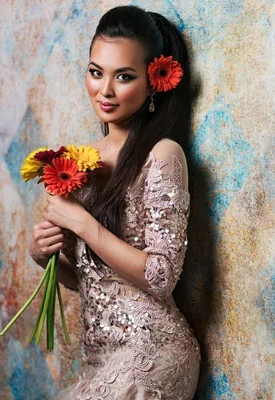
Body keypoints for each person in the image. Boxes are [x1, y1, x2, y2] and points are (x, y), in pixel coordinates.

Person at [28, 5, 200, 399]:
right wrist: (45, 256)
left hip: (153, 351)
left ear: (154, 81)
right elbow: (96, 281)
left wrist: (82, 224)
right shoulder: (80, 161)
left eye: (123, 76)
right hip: (100, 357)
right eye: (95, 72)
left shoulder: (163, 155)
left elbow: (160, 276)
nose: (104, 90)